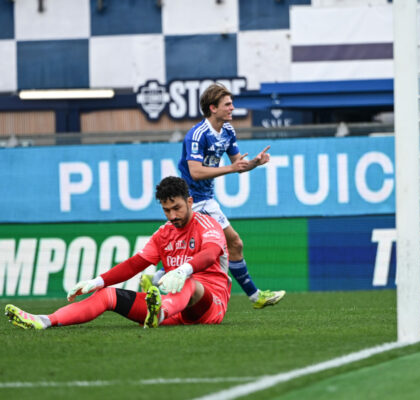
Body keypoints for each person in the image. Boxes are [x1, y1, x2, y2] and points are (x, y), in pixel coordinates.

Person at [5, 176, 231, 329]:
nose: (172, 216)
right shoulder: (163, 234)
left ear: (190, 202)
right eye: (166, 210)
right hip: (173, 307)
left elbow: (211, 253)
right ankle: (44, 321)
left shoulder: (207, 225)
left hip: (210, 307)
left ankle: (159, 312)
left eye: (177, 208)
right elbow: (134, 264)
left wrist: (183, 270)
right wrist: (98, 281)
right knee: (107, 295)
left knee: (189, 282)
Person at [176, 83, 285, 309]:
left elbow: (238, 165)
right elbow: (195, 172)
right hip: (191, 201)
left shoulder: (228, 131)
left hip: (207, 198)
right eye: (228, 104)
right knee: (231, 243)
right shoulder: (197, 135)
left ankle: (156, 280)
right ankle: (255, 297)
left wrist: (255, 163)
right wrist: (230, 168)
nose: (232, 108)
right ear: (213, 108)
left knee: (228, 244)